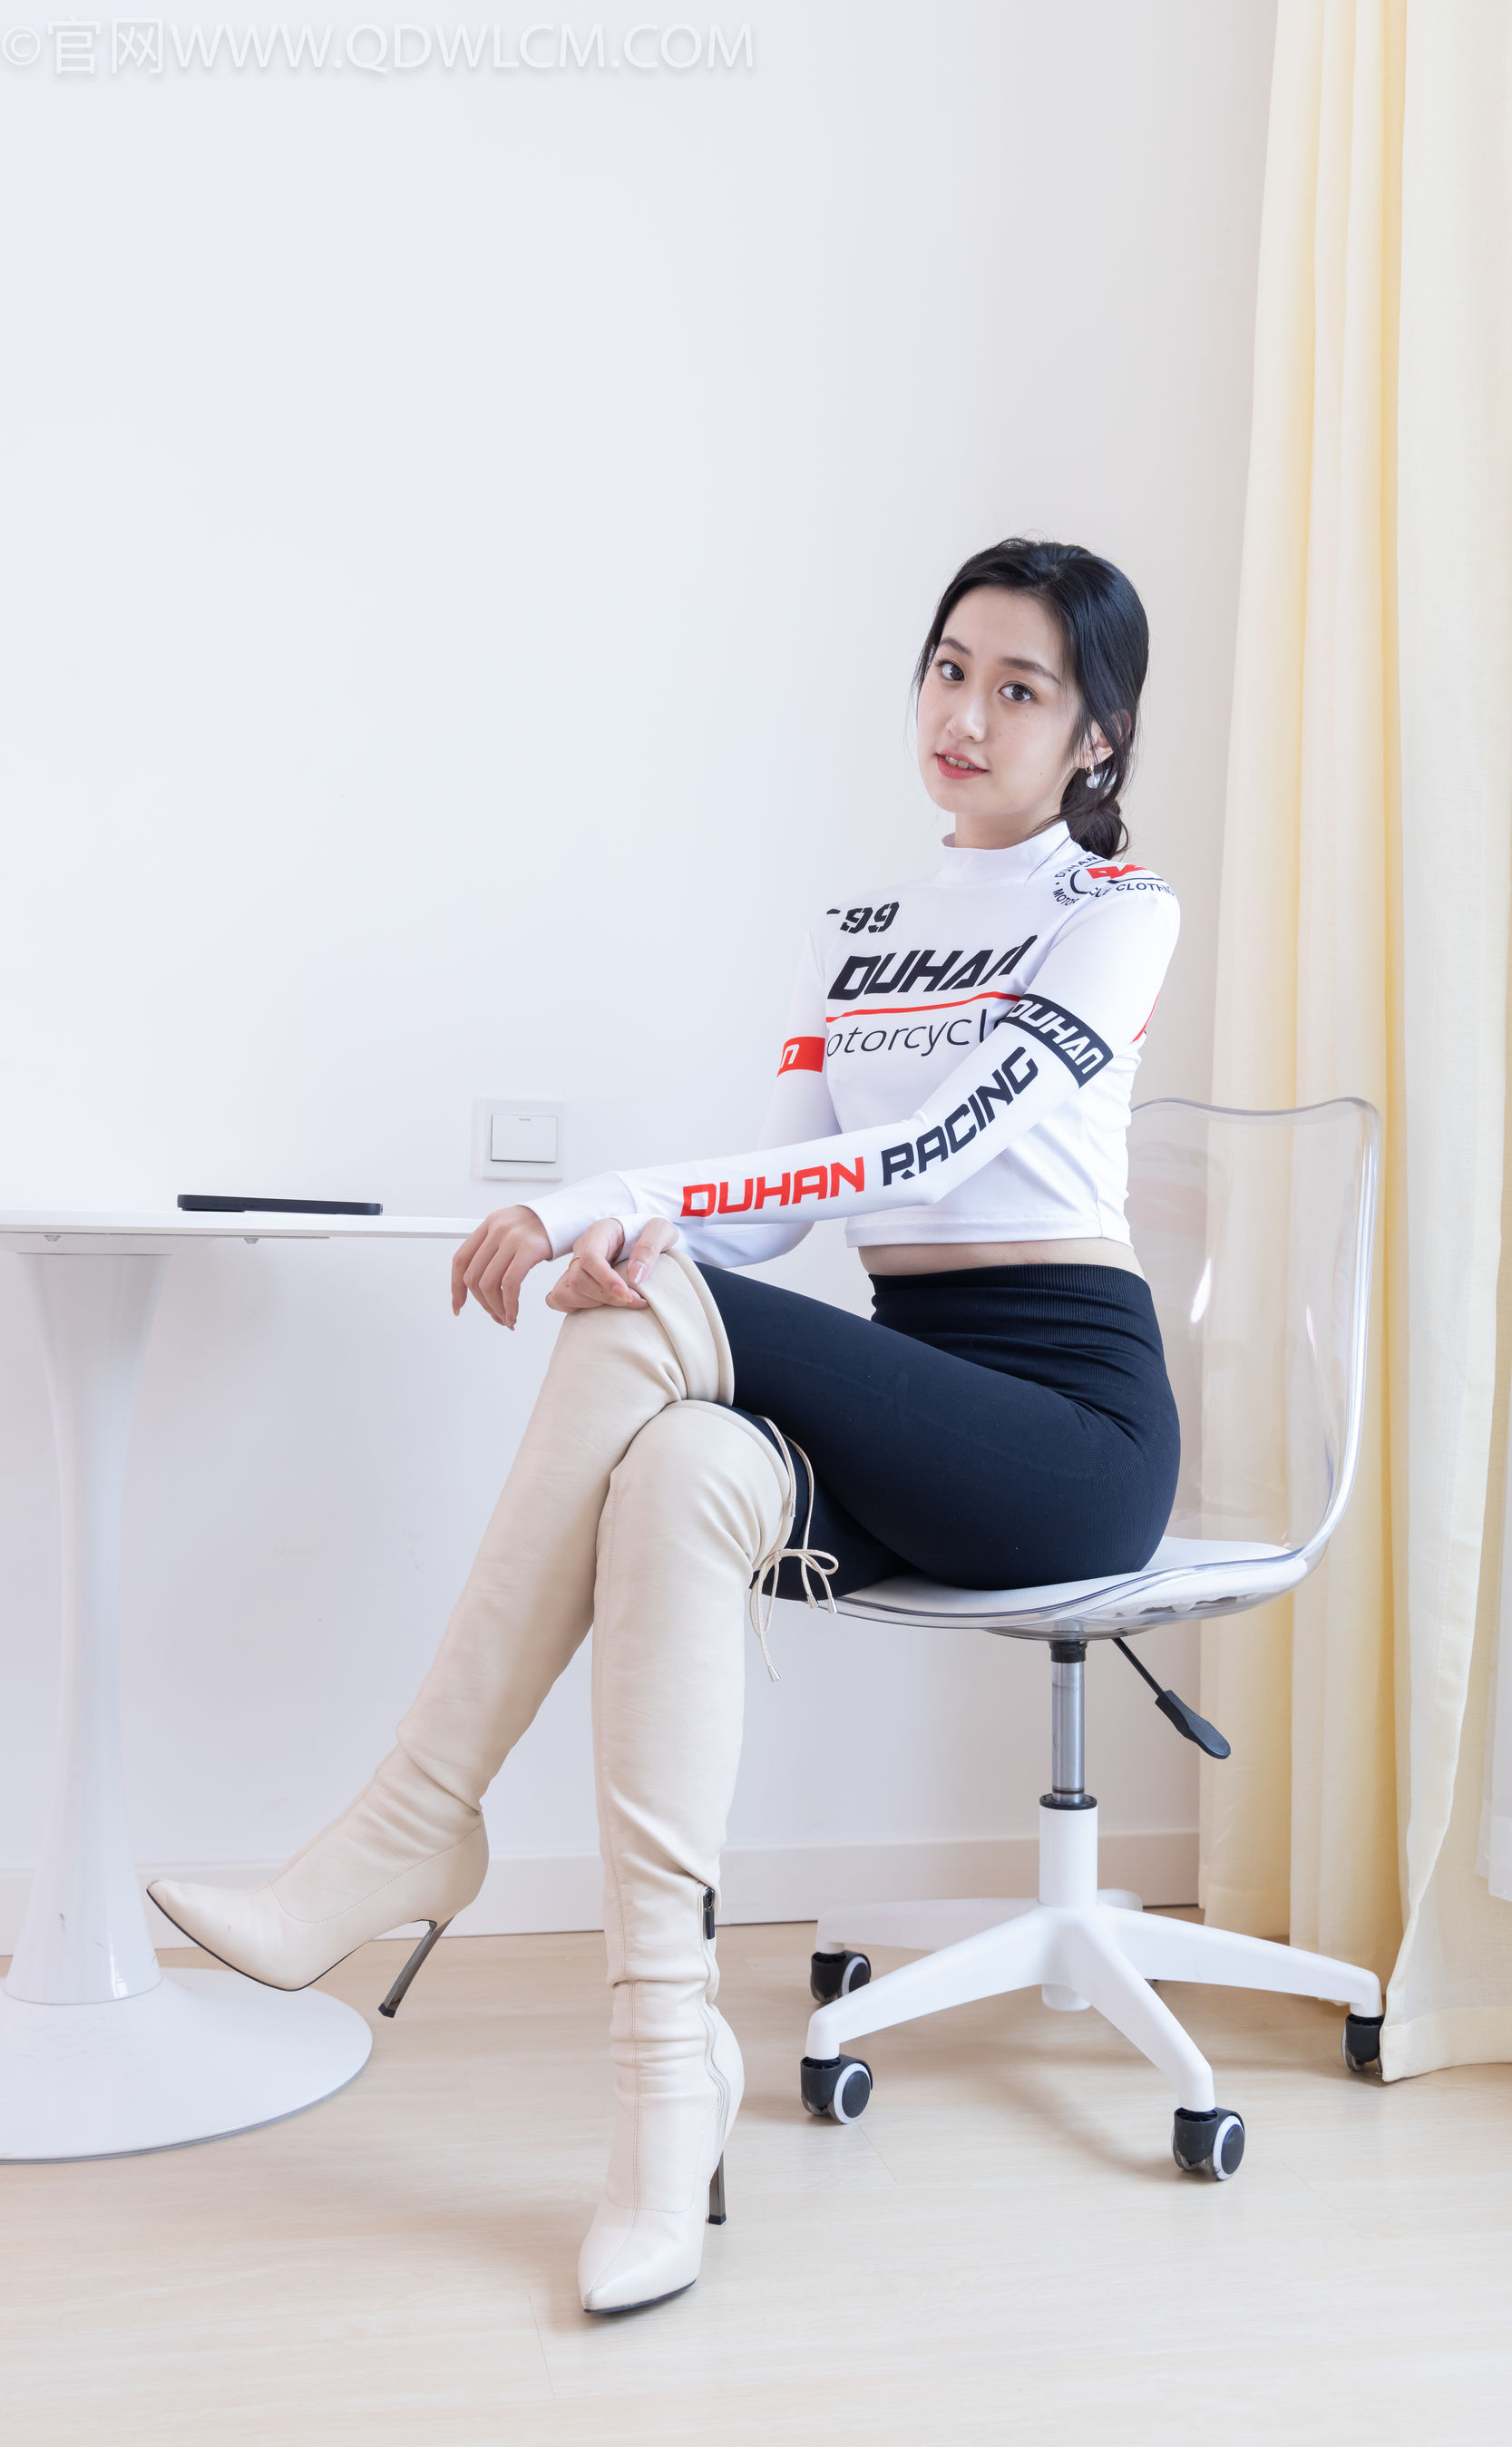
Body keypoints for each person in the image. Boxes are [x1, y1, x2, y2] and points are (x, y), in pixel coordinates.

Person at [150, 536, 1182, 2315]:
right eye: (950, 666)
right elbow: (775, 1227)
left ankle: (409, 1821)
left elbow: (921, 1152)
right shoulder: (858, 934)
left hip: (1063, 1427)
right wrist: (658, 1236)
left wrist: (609, 1206)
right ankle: (660, 2085)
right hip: (906, 1392)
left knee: (645, 1310)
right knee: (685, 1464)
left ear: (1097, 736)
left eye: (1021, 688)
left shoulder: (1117, 913)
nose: (966, 711)